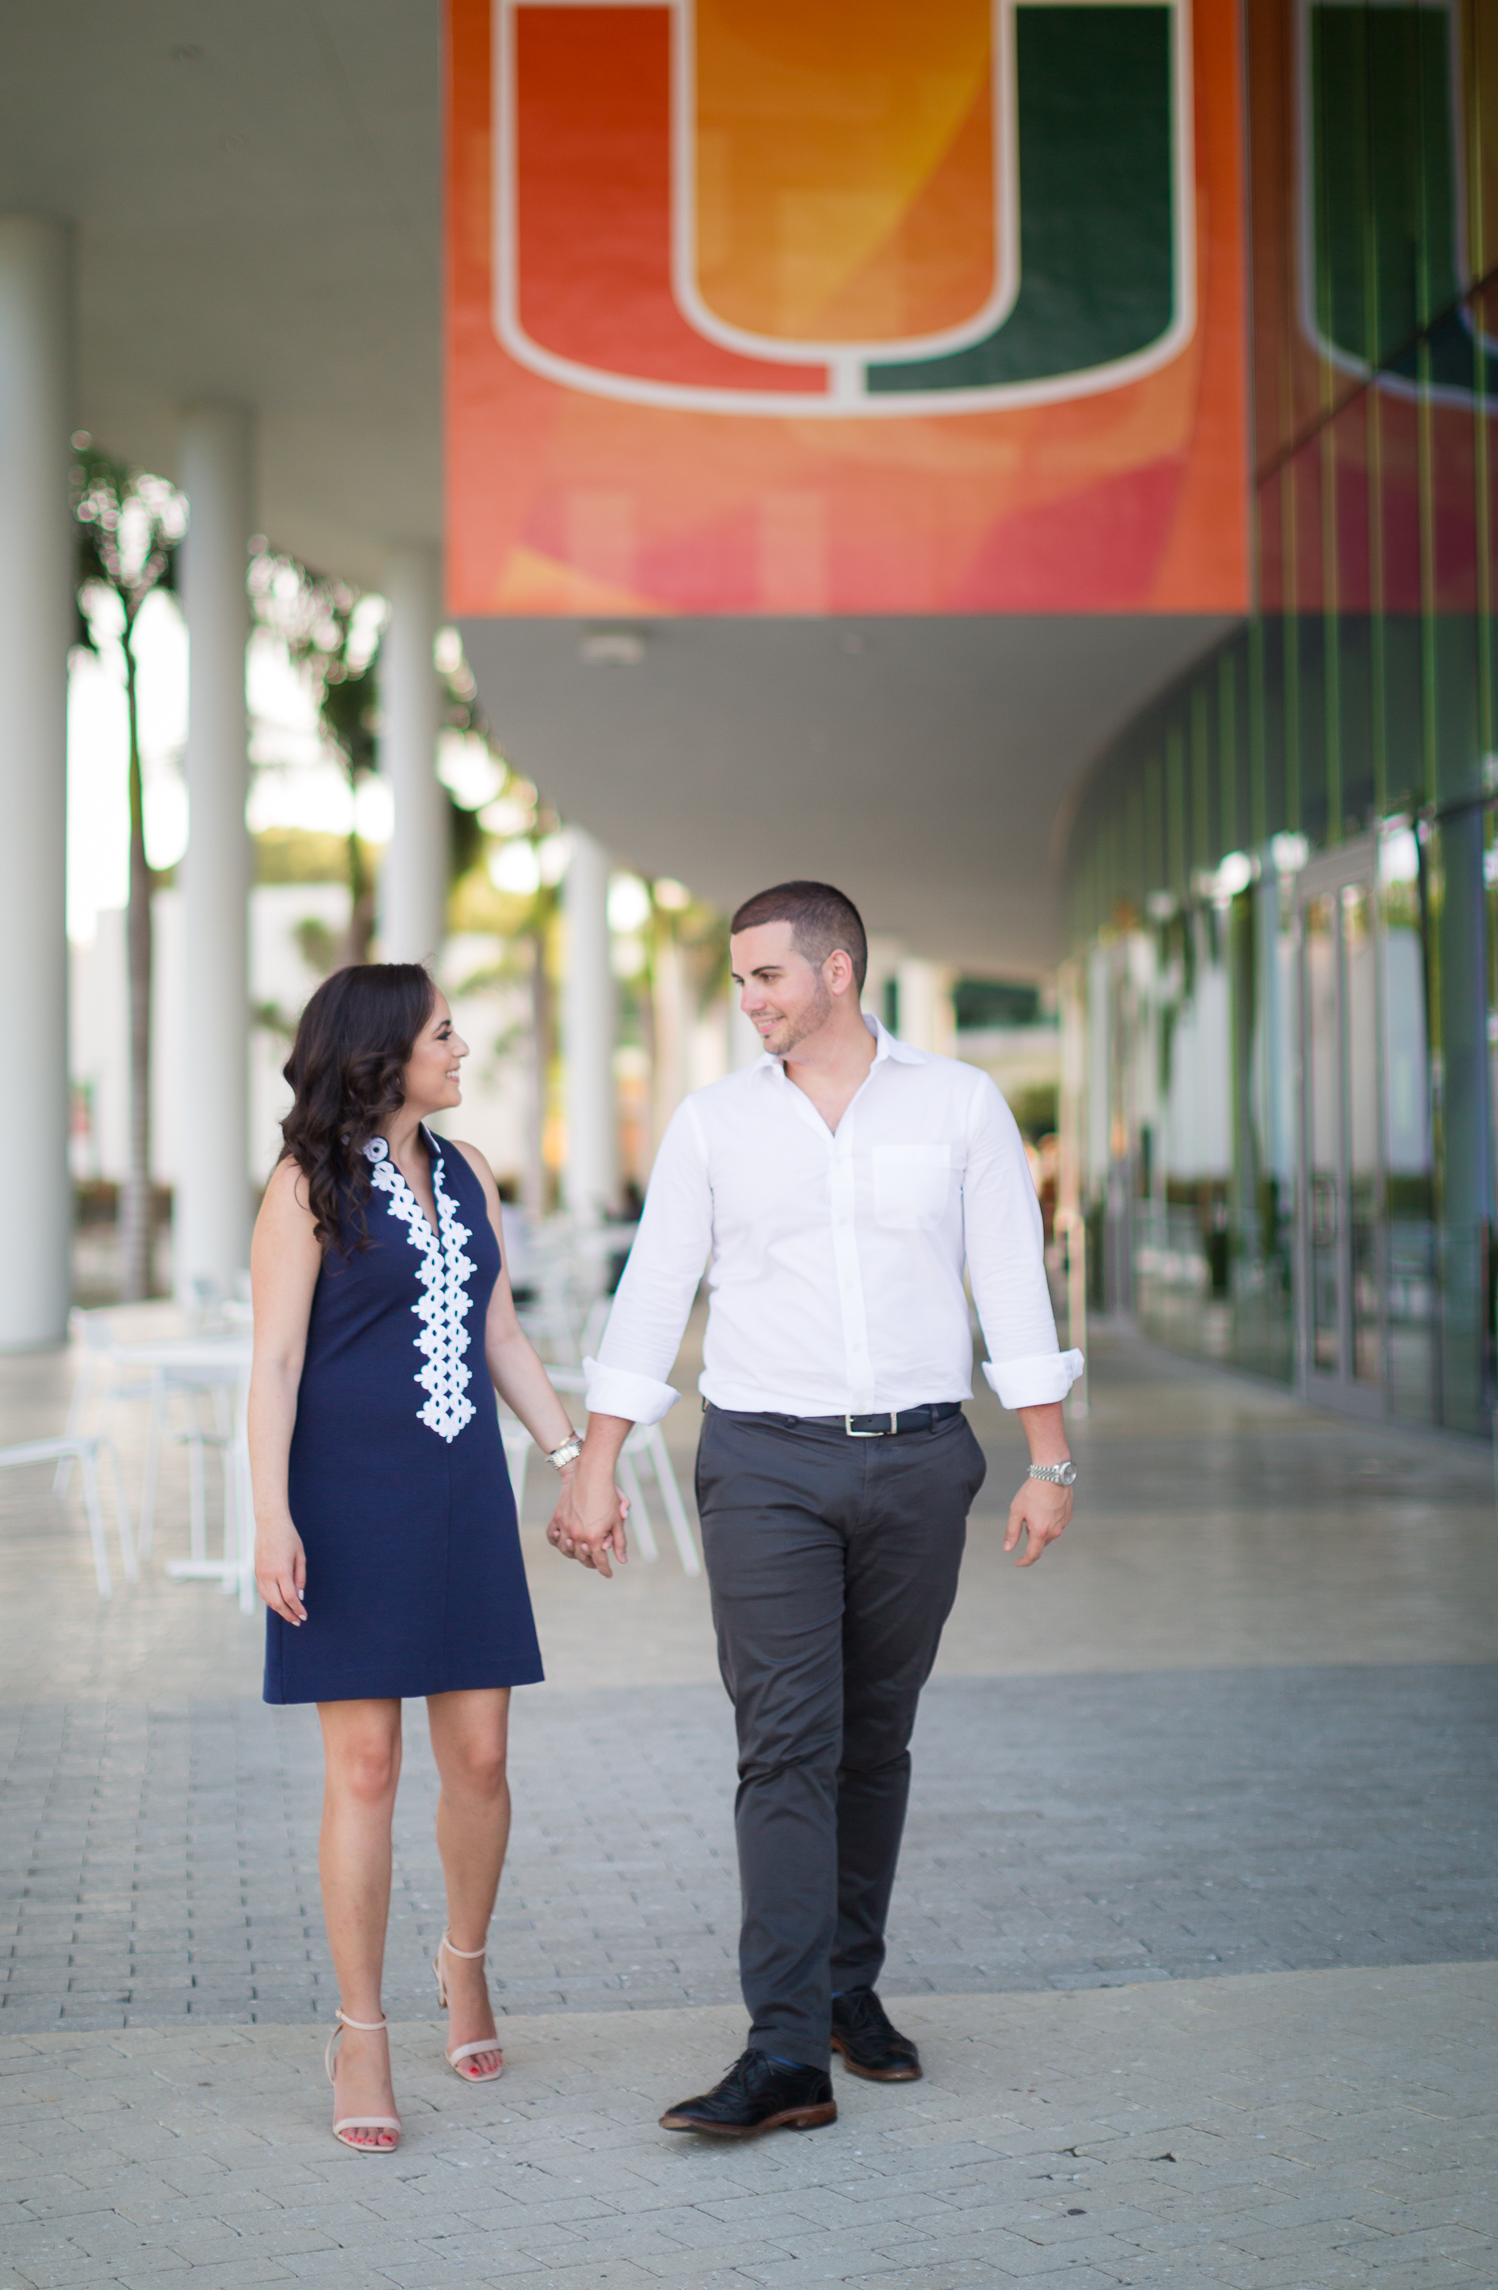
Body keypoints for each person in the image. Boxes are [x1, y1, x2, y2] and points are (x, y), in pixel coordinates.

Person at [553, 881, 1081, 2139]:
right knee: (785, 1741)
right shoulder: (712, 1124)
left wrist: (1047, 1461)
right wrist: (596, 1457)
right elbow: (652, 1289)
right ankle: (784, 2047)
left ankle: (850, 1987)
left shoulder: (956, 1102)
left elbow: (1010, 1277)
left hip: (918, 1459)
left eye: (764, 978)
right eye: (738, 981)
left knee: (873, 1734)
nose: (747, 1003)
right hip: (764, 1465)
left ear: (835, 968)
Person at [250, 962, 605, 2154]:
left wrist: (569, 1457)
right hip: (342, 1503)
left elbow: (497, 1328)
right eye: (444, 1033)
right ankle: (361, 2028)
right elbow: (276, 1364)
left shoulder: (470, 1173)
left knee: (484, 1759)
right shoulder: (303, 1183)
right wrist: (269, 1515)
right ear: (383, 1050)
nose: (461, 1051)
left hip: (460, 1496)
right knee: (363, 1769)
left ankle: (463, 1961)